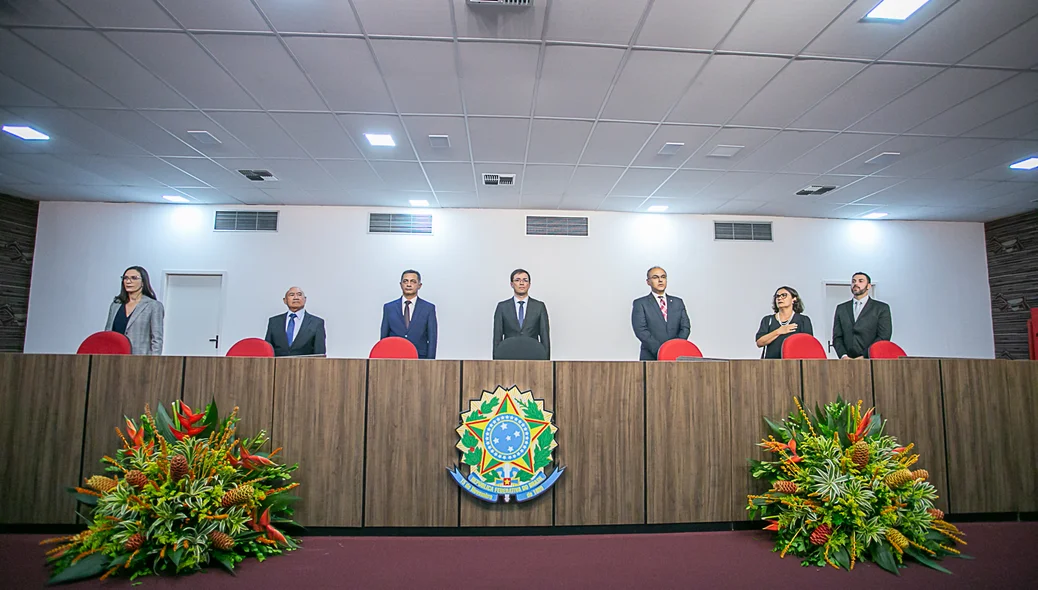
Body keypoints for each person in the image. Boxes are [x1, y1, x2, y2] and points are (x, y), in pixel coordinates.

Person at [631, 266, 691, 360]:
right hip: (651, 356)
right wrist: (662, 351)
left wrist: (674, 349)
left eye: (663, 277)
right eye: (655, 277)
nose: (660, 280)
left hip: (676, 356)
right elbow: (641, 330)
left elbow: (685, 327)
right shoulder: (640, 303)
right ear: (648, 282)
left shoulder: (678, 302)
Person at [105, 266, 164, 355]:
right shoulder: (116, 305)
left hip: (139, 359)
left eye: (134, 278)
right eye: (125, 278)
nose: (128, 281)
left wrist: (153, 363)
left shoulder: (153, 306)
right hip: (114, 357)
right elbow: (107, 334)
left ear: (143, 282)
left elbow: (156, 339)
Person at [832, 272, 892, 359]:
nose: (856, 283)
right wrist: (843, 356)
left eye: (860, 281)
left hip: (870, 360)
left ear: (868, 286)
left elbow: (884, 336)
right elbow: (837, 337)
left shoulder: (881, 308)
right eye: (853, 281)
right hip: (846, 361)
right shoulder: (841, 308)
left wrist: (865, 355)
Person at [493, 269, 550, 359]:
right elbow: (497, 337)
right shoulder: (502, 307)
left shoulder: (539, 306)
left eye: (525, 280)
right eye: (517, 280)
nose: (521, 283)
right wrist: (496, 362)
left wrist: (547, 363)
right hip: (508, 354)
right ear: (511, 284)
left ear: (529, 284)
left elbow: (545, 337)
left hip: (533, 354)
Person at [380, 269, 437, 359]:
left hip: (420, 358)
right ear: (400, 284)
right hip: (394, 357)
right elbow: (384, 338)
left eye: (413, 281)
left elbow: (432, 338)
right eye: (405, 281)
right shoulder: (389, 308)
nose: (409, 284)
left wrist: (430, 363)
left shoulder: (428, 308)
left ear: (419, 285)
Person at [264, 286, 326, 357]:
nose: (296, 298)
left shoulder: (317, 323)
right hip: (278, 366)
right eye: (292, 295)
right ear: (285, 300)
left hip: (305, 366)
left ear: (305, 299)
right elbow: (267, 351)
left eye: (299, 294)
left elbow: (319, 354)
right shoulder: (274, 322)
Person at [755, 286, 814, 359]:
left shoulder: (803, 320)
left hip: (795, 363)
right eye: (777, 296)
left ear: (794, 299)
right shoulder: (768, 320)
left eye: (784, 295)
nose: (779, 298)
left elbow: (808, 344)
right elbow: (759, 342)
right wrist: (778, 331)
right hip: (771, 364)